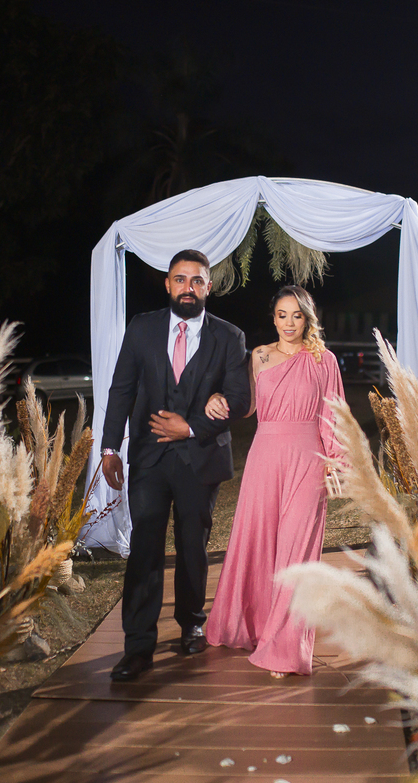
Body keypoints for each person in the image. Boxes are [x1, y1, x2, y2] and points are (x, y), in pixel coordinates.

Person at [100, 249, 250, 682]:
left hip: (200, 458)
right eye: (180, 279)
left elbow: (239, 398)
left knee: (192, 546)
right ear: (168, 284)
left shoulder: (229, 337)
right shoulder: (142, 328)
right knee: (145, 546)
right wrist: (109, 448)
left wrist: (191, 427)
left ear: (208, 286)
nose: (188, 288)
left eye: (197, 280)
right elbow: (121, 388)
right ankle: (137, 646)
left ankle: (191, 623)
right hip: (149, 458)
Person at [203, 285, 344, 677]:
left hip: (308, 460)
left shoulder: (323, 359)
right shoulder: (260, 356)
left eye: (297, 315)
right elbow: (246, 405)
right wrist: (216, 398)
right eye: (282, 315)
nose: (289, 323)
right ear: (274, 317)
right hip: (264, 459)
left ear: (307, 319)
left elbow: (334, 413)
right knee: (258, 543)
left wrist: (335, 461)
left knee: (297, 552)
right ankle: (252, 625)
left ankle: (285, 648)